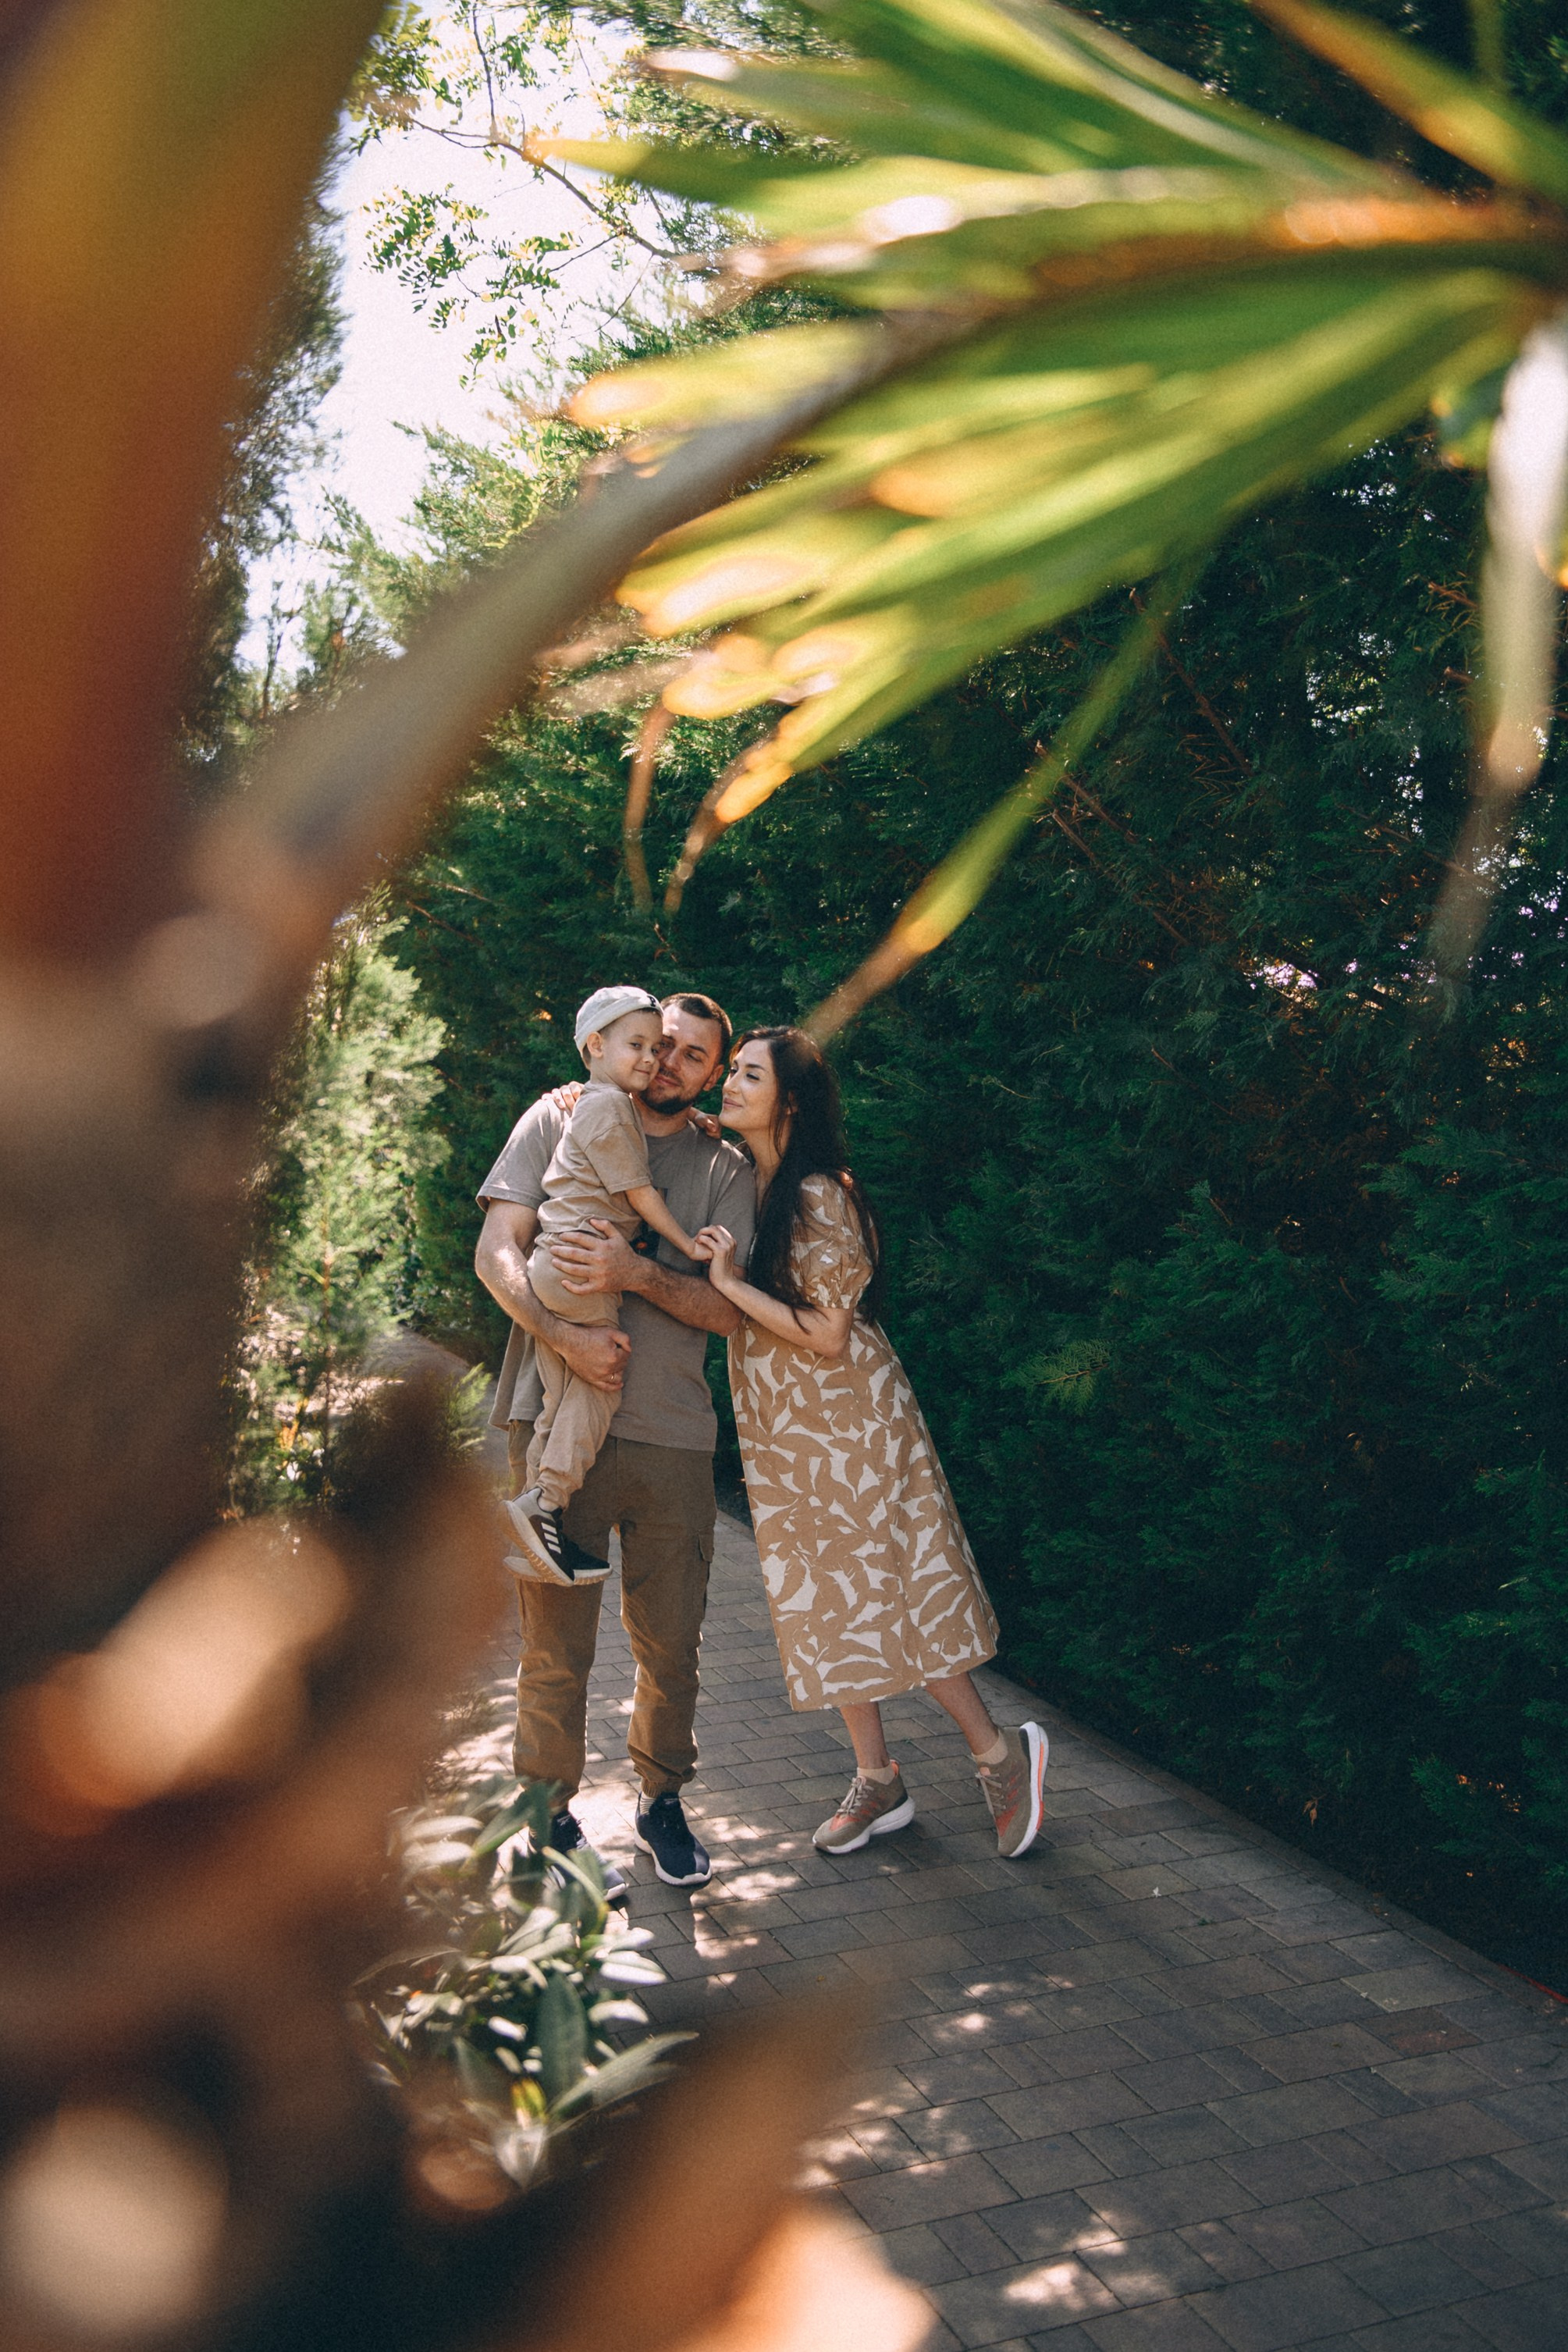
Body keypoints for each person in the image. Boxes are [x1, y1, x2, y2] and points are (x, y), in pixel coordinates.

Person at [695, 1027, 1048, 1861]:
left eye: (747, 1075)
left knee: (891, 1591)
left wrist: (729, 1287)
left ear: (788, 1100)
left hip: (849, 1425)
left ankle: (1001, 1759)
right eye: (731, 1071)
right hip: (787, 1432)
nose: (728, 1084)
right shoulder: (754, 1177)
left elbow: (825, 1333)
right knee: (826, 1600)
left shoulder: (819, 1192)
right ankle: (877, 1778)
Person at [475, 994, 756, 1895]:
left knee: (671, 1645)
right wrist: (564, 1339)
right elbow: (496, 1252)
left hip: (672, 1435)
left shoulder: (723, 1167)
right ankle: (547, 1822)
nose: (667, 1062)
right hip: (557, 1417)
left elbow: (729, 1312)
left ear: (712, 1073)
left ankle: (661, 1802)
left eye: (691, 1056)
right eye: (658, 1043)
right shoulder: (558, 1114)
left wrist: (637, 1273)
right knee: (554, 1650)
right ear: (625, 1044)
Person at [505, 985, 709, 1585]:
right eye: (639, 1046)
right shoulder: (609, 1107)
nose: (651, 1060)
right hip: (580, 1268)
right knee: (602, 1381)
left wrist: (695, 1116)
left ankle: (536, 1529)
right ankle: (544, 1501)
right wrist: (690, 1242)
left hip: (553, 1264)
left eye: (660, 1048)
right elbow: (637, 1192)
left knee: (564, 1394)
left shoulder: (595, 1100)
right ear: (595, 1045)